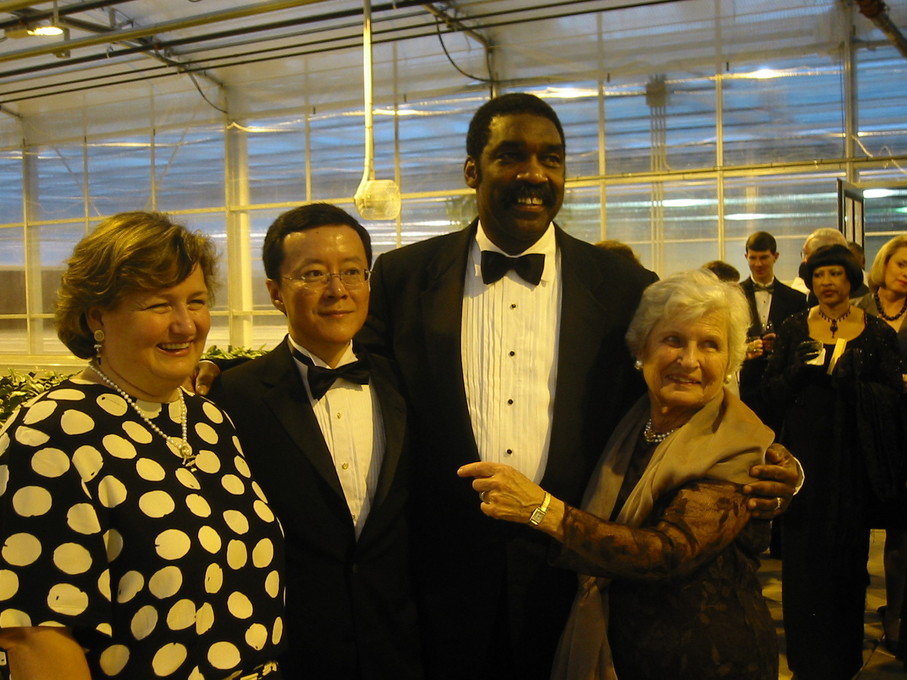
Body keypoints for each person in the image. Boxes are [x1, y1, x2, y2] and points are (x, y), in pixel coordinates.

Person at [356, 92, 801, 679]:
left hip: (578, 572)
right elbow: (361, 391)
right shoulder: (403, 276)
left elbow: (689, 392)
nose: (534, 173)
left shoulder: (622, 284)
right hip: (444, 573)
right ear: (472, 171)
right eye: (511, 156)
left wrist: (774, 464)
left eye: (552, 158)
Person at [0, 212, 285, 680]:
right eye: (158, 305)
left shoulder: (209, 421)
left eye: (196, 301)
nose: (185, 325)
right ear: (97, 316)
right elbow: (37, 635)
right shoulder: (49, 434)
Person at [459, 269, 779, 680]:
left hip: (707, 658)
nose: (689, 360)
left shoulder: (739, 443)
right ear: (642, 347)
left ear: (730, 360)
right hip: (621, 649)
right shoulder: (631, 418)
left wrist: (542, 510)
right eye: (673, 340)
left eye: (710, 345)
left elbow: (667, 553)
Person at [206, 203, 421, 680]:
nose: (337, 290)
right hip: (287, 654)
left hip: (398, 649)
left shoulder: (407, 383)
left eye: (352, 272)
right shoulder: (232, 397)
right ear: (275, 293)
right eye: (313, 274)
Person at [763, 243, 905, 680]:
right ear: (810, 280)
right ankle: (806, 659)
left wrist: (855, 385)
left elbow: (894, 398)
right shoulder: (793, 327)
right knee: (803, 560)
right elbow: (771, 392)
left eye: (835, 274)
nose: (827, 282)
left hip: (852, 463)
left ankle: (844, 658)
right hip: (804, 462)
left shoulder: (876, 332)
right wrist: (796, 373)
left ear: (850, 279)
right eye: (819, 274)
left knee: (847, 557)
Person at [855, 233, 907, 656]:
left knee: (901, 530)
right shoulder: (858, 309)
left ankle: (897, 616)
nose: (906, 273)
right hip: (864, 429)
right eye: (901, 264)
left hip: (906, 430)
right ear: (884, 264)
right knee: (855, 524)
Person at [738, 231, 808, 433]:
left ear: (775, 257)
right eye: (753, 258)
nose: (758, 264)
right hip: (745, 382)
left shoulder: (795, 299)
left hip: (781, 384)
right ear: (746, 257)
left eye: (764, 258)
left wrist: (781, 343)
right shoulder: (734, 294)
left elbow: (801, 342)